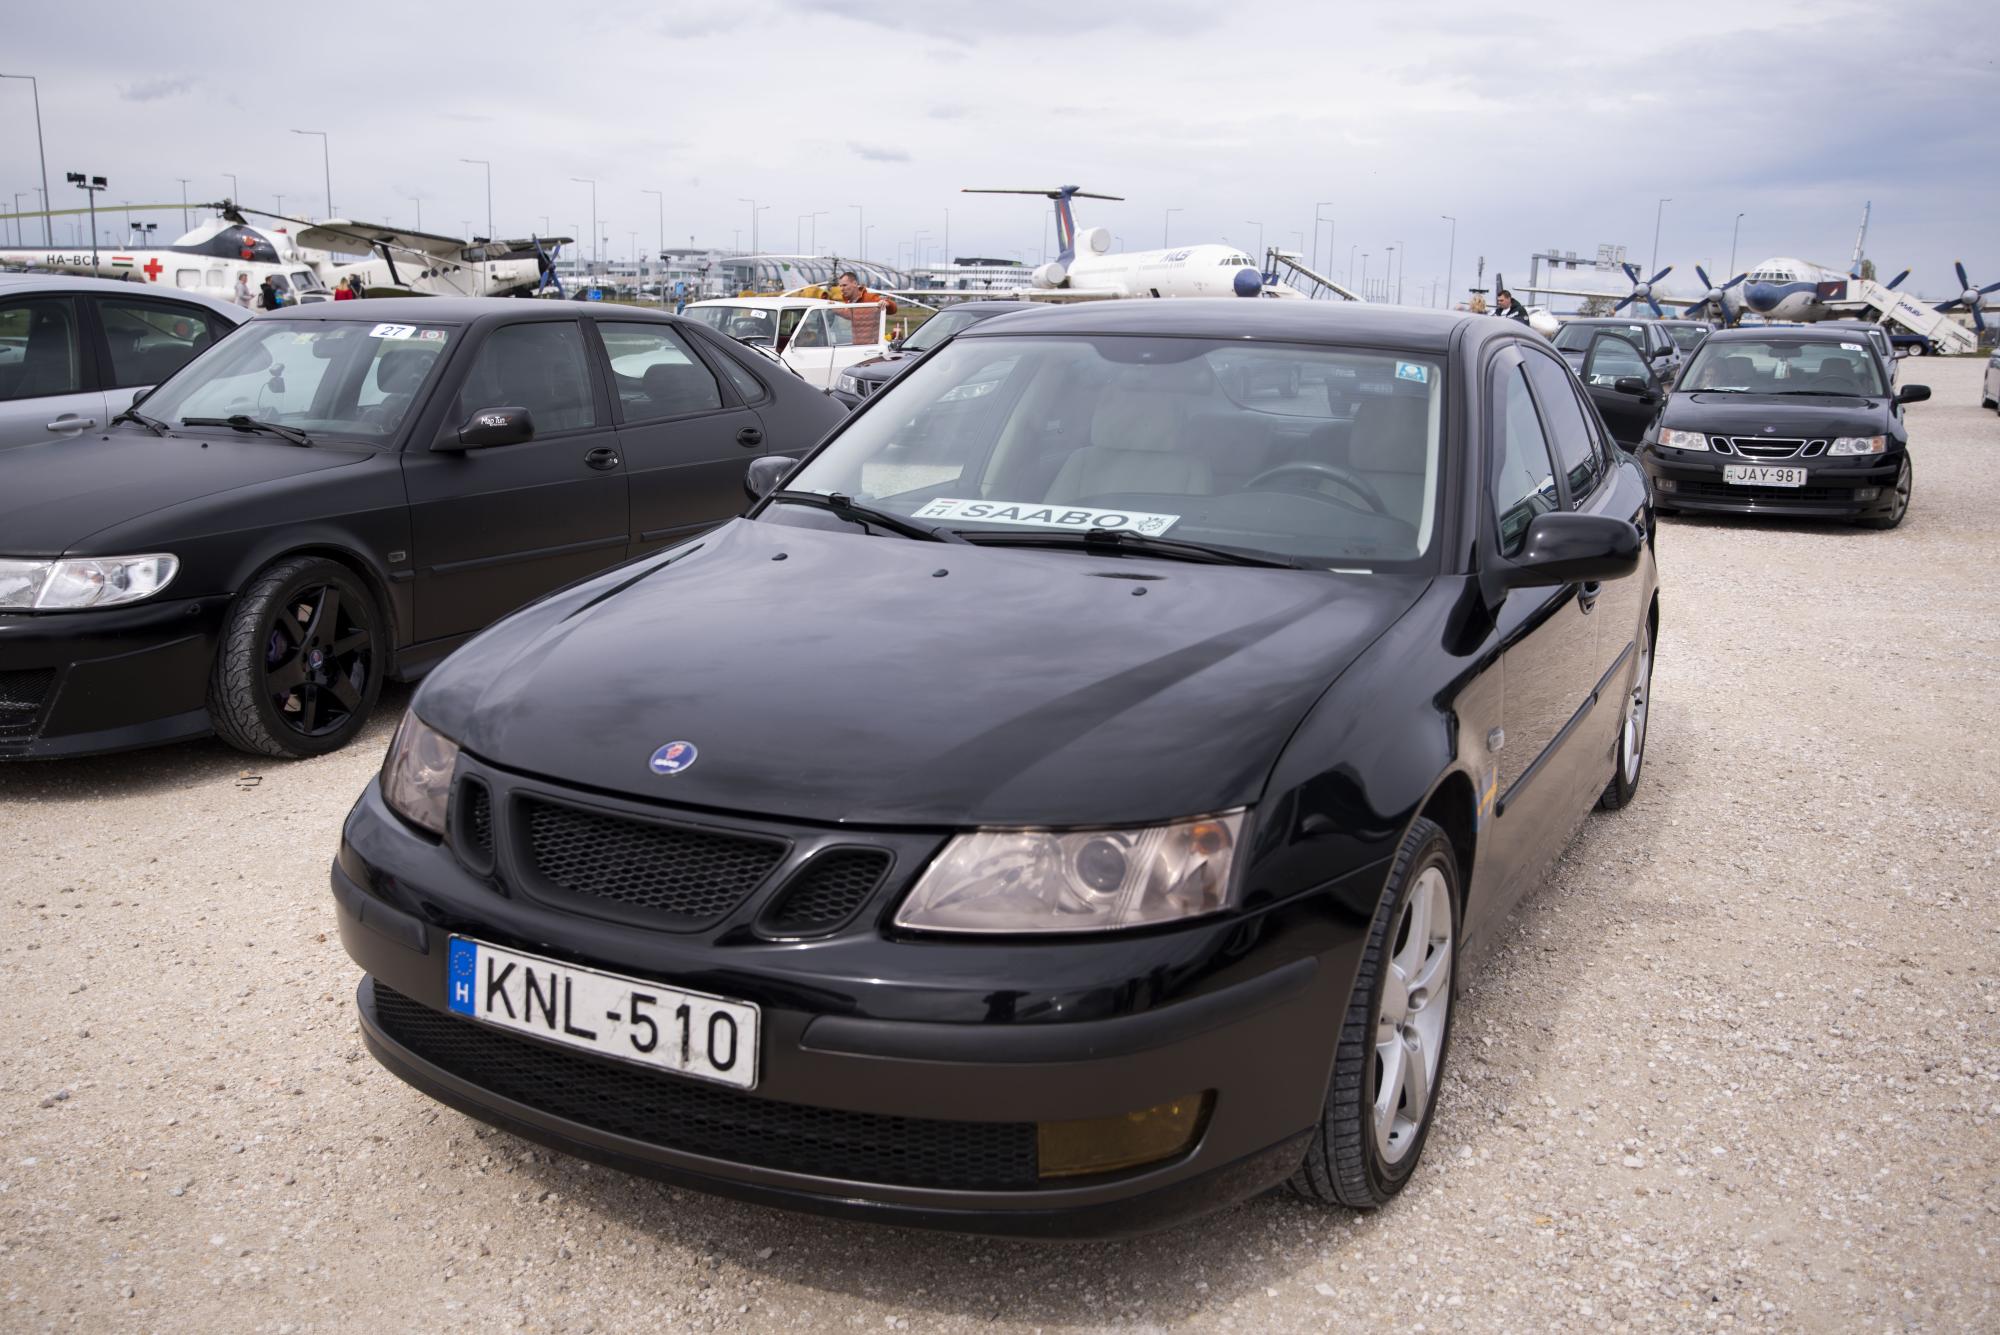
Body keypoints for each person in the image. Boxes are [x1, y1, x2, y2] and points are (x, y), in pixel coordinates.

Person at [831, 270, 897, 344]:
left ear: (855, 283)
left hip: (873, 347)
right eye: (840, 286)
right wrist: (832, 308)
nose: (842, 289)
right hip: (857, 346)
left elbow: (894, 309)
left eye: (844, 285)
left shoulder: (870, 298)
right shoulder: (848, 303)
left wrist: (887, 303)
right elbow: (849, 314)